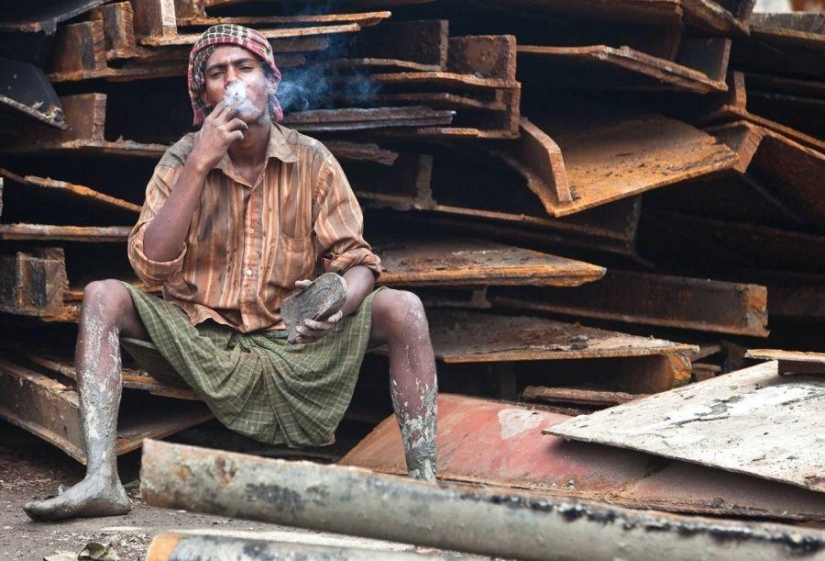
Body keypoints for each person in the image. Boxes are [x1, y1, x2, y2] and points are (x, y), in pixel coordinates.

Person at [24, 24, 438, 521]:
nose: (233, 81)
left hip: (293, 341)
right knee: (102, 296)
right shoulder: (182, 158)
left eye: (245, 69)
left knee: (404, 307)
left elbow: (358, 261)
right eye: (217, 75)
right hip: (199, 339)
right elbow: (150, 266)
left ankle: (425, 481)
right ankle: (100, 479)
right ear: (205, 96)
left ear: (271, 82)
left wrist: (337, 302)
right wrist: (200, 163)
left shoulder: (313, 161)